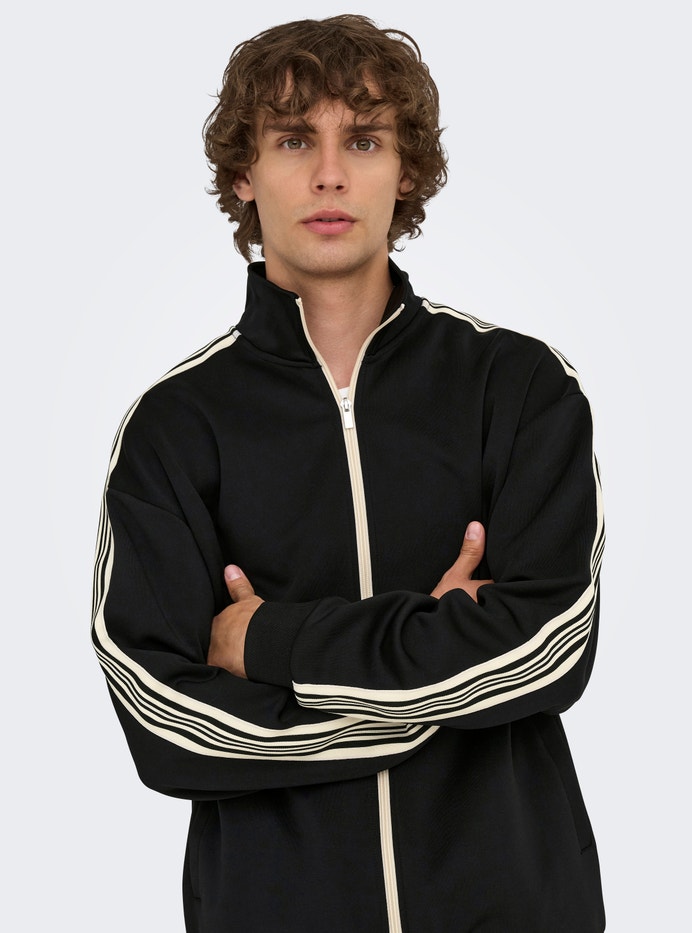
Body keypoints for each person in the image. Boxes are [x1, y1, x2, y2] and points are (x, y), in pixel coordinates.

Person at [92, 14, 605, 932]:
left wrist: (267, 643)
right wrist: (438, 673)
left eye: (363, 140)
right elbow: (164, 722)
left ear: (405, 170)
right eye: (295, 140)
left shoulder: (520, 387)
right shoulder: (174, 428)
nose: (329, 174)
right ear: (244, 173)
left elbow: (547, 650)